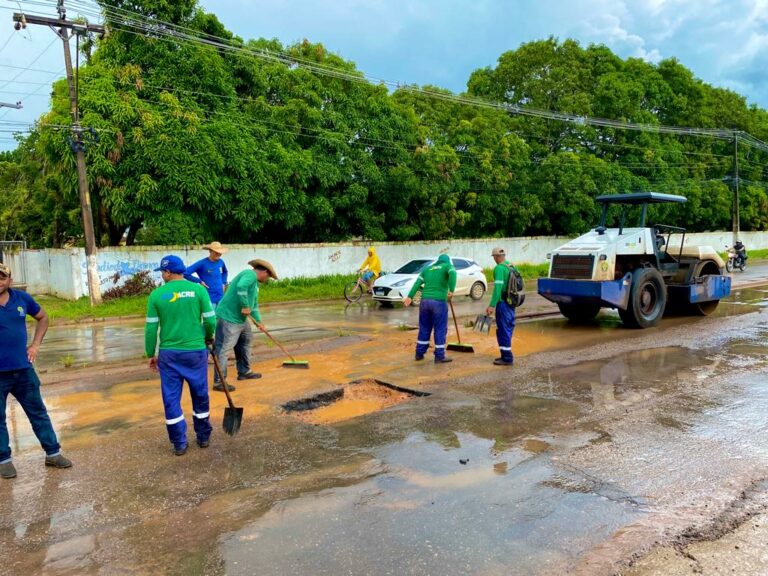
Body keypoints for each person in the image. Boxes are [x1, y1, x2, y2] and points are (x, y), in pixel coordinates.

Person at [0, 263, 71, 479]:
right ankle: (4, 460)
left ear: (9, 280)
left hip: (23, 370)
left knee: (38, 412)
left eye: (2, 277)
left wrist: (35, 345)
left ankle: (53, 453)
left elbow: (43, 317)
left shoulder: (22, 299)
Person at [145, 255, 216, 456]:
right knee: (200, 394)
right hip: (195, 352)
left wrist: (150, 353)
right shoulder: (199, 290)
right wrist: (207, 337)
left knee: (171, 398)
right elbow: (211, 321)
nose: (162, 275)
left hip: (169, 355)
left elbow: (151, 329)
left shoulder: (156, 295)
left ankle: (179, 443)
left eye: (162, 272)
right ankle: (203, 437)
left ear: (168, 272)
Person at [213, 259, 278, 391]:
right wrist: (244, 305)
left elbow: (254, 306)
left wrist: (259, 322)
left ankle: (244, 371)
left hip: (241, 320)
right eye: (268, 277)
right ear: (265, 272)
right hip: (228, 318)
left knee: (246, 341)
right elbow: (241, 287)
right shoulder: (250, 274)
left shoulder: (255, 285)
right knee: (224, 349)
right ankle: (219, 382)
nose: (267, 279)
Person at [403, 254, 456, 364]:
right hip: (439, 302)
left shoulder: (427, 269)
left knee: (424, 328)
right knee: (440, 328)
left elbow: (417, 282)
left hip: (425, 302)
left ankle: (419, 353)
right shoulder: (447, 266)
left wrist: (410, 296)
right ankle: (439, 356)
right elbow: (453, 273)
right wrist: (451, 290)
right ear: (447, 261)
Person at [486, 247, 515, 366]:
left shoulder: (499, 268)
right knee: (507, 328)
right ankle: (504, 354)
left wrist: (491, 305)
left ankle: (507, 358)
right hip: (511, 303)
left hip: (503, 303)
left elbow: (497, 289)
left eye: (494, 257)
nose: (494, 259)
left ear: (497, 256)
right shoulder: (511, 266)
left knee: (503, 330)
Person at [184, 241, 229, 309]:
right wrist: (199, 281)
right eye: (216, 252)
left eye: (220, 252)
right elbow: (185, 273)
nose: (218, 254)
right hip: (209, 297)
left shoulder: (221, 262)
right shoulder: (202, 263)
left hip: (220, 297)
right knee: (210, 315)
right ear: (210, 251)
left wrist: (224, 283)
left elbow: (225, 272)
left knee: (220, 315)